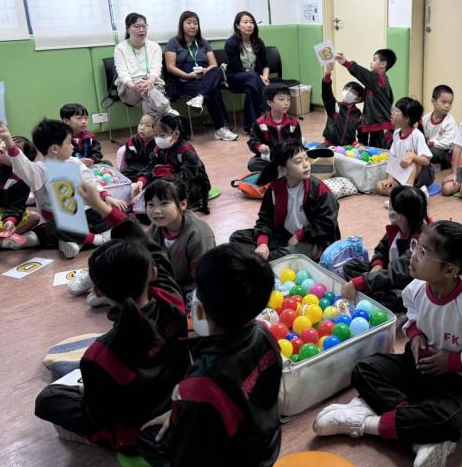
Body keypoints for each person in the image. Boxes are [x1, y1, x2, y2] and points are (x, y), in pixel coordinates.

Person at [313, 220, 462, 467]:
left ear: (449, 270)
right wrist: (415, 334)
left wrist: (452, 361)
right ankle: (419, 432)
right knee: (364, 369)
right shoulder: (417, 288)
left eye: (423, 252)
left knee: (450, 419)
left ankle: (366, 423)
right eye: (415, 246)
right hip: (422, 367)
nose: (412, 255)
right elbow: (411, 311)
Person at [34, 187, 190, 453]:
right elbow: (142, 239)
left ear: (97, 292)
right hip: (180, 400)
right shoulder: (172, 300)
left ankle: (96, 439)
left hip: (139, 434)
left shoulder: (99, 355)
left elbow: (98, 414)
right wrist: (100, 205)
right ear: (153, 274)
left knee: (49, 398)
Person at [138, 244, 281, 467]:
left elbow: (187, 455)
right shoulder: (265, 334)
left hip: (236, 458)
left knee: (147, 437)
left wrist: (180, 414)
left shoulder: (203, 385)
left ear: (198, 310)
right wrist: (182, 411)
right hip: (266, 445)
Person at [0, 120, 127, 266]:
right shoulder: (39, 170)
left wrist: (106, 197)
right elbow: (22, 166)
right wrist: (9, 142)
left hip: (86, 212)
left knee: (114, 215)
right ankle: (96, 240)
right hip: (61, 220)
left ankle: (77, 242)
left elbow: (91, 182)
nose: (73, 146)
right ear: (55, 149)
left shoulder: (75, 162)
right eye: (69, 142)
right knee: (55, 228)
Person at [230, 141, 340, 261]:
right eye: (298, 161)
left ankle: (262, 260)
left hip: (315, 241)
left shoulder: (319, 189)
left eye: (306, 159)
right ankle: (264, 258)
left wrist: (300, 235)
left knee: (281, 256)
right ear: (282, 170)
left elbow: (327, 224)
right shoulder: (274, 189)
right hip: (285, 236)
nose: (306, 165)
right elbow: (265, 220)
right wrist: (262, 243)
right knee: (237, 237)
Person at [340, 185, 429, 312]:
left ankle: (375, 298)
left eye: (392, 206)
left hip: (404, 284)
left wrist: (360, 282)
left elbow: (397, 273)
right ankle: (373, 295)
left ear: (400, 215)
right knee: (351, 266)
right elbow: (381, 249)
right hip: (388, 274)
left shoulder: (420, 242)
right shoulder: (398, 228)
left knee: (396, 299)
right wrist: (377, 265)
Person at [164, 11, 238, 142]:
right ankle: (221, 128)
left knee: (217, 70)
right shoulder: (173, 43)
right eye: (188, 23)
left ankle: (200, 97)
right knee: (213, 90)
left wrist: (205, 70)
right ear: (181, 25)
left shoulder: (203, 43)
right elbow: (170, 67)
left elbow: (213, 64)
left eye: (195, 23)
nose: (192, 26)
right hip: (184, 79)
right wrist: (188, 75)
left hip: (205, 77)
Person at [144, 180, 216, 296]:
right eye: (151, 205)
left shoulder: (198, 234)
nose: (156, 211)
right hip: (167, 282)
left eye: (164, 203)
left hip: (191, 288)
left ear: (182, 204)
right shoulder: (156, 227)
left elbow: (203, 278)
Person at [133, 114, 211, 214]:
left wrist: (164, 183)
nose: (158, 139)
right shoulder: (158, 150)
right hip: (169, 181)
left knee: (168, 202)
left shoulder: (185, 151)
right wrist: (142, 180)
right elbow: (151, 166)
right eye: (156, 135)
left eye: (162, 135)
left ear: (176, 134)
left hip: (194, 184)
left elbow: (186, 175)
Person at [113, 12, 175, 119]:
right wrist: (134, 86)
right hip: (129, 88)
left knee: (148, 100)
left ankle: (151, 129)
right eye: (136, 26)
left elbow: (156, 69)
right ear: (127, 29)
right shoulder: (120, 48)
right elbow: (123, 73)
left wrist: (150, 82)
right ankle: (168, 110)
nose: (141, 29)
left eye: (144, 26)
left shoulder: (155, 47)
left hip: (153, 84)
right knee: (149, 93)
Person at [334, 49, 396, 149]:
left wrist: (345, 62)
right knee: (374, 153)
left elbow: (362, 73)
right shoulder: (377, 81)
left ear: (383, 64)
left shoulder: (379, 79)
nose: (371, 62)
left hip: (383, 128)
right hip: (376, 127)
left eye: (374, 59)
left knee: (384, 154)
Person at [376, 97, 433, 196]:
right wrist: (390, 178)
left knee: (411, 161)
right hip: (402, 174)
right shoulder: (396, 133)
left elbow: (426, 161)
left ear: (406, 119)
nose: (392, 113)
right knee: (379, 186)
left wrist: (413, 156)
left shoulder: (417, 135)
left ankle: (408, 195)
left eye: (396, 111)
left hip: (421, 176)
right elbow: (393, 158)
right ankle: (404, 192)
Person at [223, 11, 269, 132]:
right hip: (235, 77)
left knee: (250, 89)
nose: (249, 25)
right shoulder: (231, 43)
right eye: (245, 22)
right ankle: (265, 112)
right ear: (237, 25)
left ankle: (251, 127)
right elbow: (237, 67)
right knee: (253, 78)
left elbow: (265, 65)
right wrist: (259, 78)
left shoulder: (258, 42)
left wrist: (264, 78)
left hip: (254, 80)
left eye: (251, 22)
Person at [246, 84, 301, 173]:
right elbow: (252, 141)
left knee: (304, 156)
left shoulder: (293, 122)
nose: (286, 103)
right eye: (281, 99)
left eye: (288, 99)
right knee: (252, 163)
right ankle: (282, 169)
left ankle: (281, 168)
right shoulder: (260, 123)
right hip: (269, 158)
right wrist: (260, 147)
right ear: (270, 103)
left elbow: (298, 143)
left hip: (288, 157)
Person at [322, 62, 364, 147]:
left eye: (352, 91)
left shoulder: (358, 114)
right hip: (329, 145)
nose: (347, 92)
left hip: (347, 148)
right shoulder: (336, 107)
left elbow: (361, 135)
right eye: (346, 89)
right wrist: (327, 75)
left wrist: (360, 145)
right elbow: (327, 95)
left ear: (358, 99)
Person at [422, 85, 457, 170]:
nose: (447, 106)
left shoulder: (450, 121)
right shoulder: (426, 119)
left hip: (444, 151)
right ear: (433, 101)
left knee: (431, 152)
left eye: (450, 103)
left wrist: (433, 143)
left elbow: (449, 143)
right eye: (444, 102)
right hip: (429, 146)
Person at [121, 114, 156, 181]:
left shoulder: (159, 144)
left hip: (151, 172)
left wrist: (145, 175)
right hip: (137, 170)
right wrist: (141, 173)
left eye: (147, 125)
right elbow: (130, 161)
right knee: (123, 177)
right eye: (141, 123)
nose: (142, 128)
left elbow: (155, 165)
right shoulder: (132, 141)